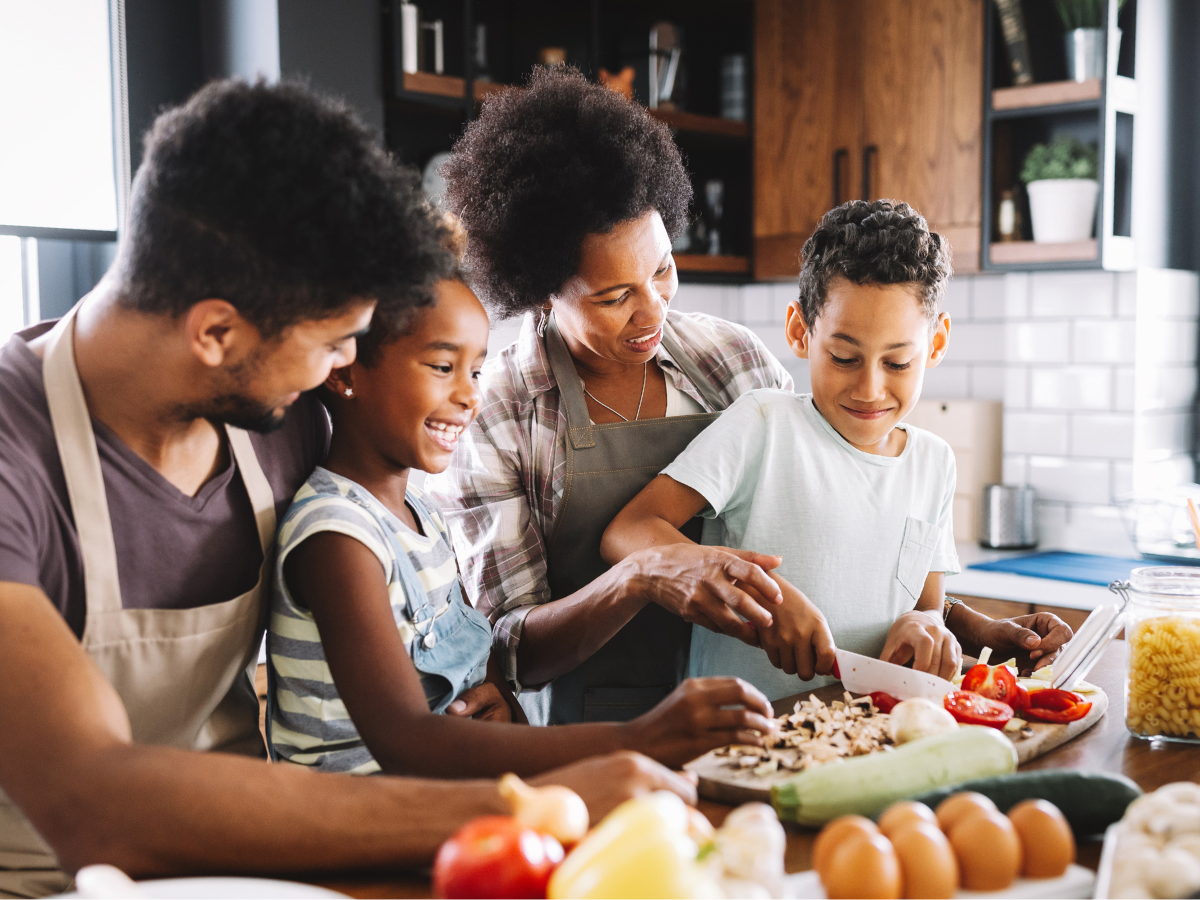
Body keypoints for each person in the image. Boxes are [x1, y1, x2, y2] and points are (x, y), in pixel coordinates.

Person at [0, 79, 693, 899]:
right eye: (335, 343)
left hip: (254, 865)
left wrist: (468, 690)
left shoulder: (285, 418)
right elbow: (95, 805)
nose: (341, 371)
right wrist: (531, 801)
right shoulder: (18, 456)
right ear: (216, 332)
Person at [267, 266, 775, 776]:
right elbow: (407, 739)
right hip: (359, 830)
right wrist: (636, 739)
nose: (469, 396)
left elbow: (477, 668)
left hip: (432, 801)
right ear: (343, 371)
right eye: (443, 367)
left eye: (475, 371)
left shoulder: (418, 515)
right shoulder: (339, 536)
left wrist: (500, 702)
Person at [426, 66, 796, 726]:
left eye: (661, 270)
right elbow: (511, 649)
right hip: (593, 735)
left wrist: (938, 610)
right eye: (614, 296)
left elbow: (826, 515)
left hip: (760, 710)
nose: (652, 311)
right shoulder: (501, 411)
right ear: (542, 288)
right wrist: (643, 573)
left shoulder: (734, 362)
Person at [602, 200, 1074, 700]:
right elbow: (628, 532)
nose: (870, 389)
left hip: (867, 737)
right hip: (744, 740)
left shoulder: (935, 464)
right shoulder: (763, 424)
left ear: (935, 345)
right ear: (800, 332)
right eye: (844, 357)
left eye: (897, 363)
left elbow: (924, 605)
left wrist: (927, 627)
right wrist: (751, 590)